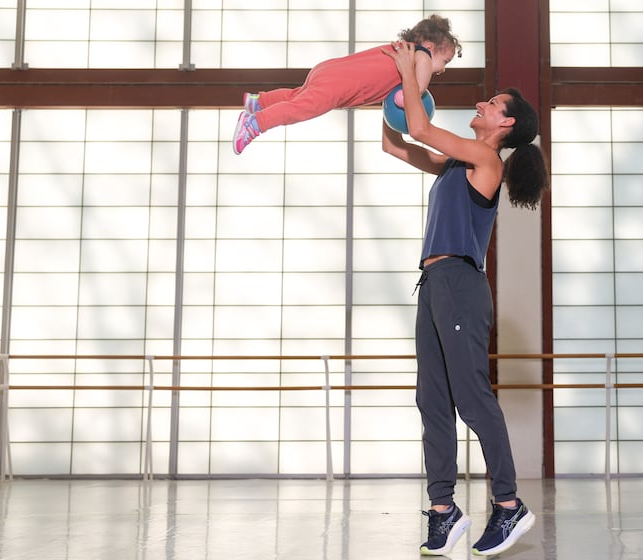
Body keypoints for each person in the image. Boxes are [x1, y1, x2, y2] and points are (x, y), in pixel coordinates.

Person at [381, 40, 549, 557]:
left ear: (505, 125)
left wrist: (416, 71)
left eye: (491, 104)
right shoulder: (457, 166)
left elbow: (423, 128)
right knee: (431, 401)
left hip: (460, 285)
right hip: (432, 286)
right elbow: (398, 144)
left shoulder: (484, 160)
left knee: (473, 399)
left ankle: (507, 505)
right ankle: (443, 510)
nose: (481, 105)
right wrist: (387, 96)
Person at [232, 14, 461, 155]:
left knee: (298, 96)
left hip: (330, 70)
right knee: (302, 108)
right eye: (445, 61)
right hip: (341, 84)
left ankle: (259, 101)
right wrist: (414, 98)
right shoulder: (420, 54)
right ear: (430, 48)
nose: (442, 69)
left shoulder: (401, 50)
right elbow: (417, 89)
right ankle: (256, 123)